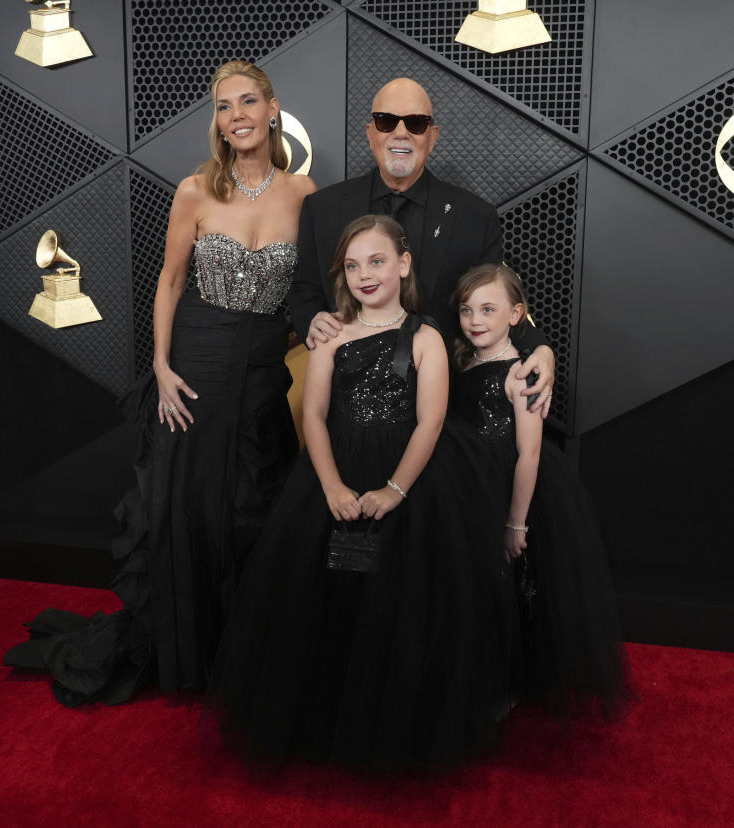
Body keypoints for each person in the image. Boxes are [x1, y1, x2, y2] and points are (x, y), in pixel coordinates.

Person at [4, 61, 316, 704]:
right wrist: (162, 368)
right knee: (191, 513)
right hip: (195, 369)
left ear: (273, 108)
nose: (237, 116)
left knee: (249, 514)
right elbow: (170, 281)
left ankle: (241, 652)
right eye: (225, 107)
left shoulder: (305, 194)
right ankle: (190, 656)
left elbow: (308, 293)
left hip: (261, 374)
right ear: (218, 121)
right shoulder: (194, 191)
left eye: (248, 101)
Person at [208, 215, 513, 770]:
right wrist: (330, 486)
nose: (364, 275)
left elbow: (431, 422)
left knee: (402, 602)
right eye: (351, 266)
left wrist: (394, 490)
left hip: (409, 480)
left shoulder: (427, 338)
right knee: (324, 598)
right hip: (331, 477)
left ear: (403, 264)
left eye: (376, 261)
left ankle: (394, 721)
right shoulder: (331, 335)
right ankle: (324, 717)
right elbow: (315, 415)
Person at [289, 77, 558, 416]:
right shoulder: (323, 208)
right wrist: (311, 319)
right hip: (348, 410)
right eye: (387, 121)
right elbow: (304, 289)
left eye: (416, 124)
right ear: (371, 132)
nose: (401, 133)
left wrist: (540, 347)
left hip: (446, 411)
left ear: (432, 138)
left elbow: (495, 303)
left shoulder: (475, 217)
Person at [449, 263, 629, 718]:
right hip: (467, 484)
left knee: (511, 582)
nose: (475, 320)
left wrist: (515, 522)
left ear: (516, 314)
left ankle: (507, 682)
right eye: (467, 309)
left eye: (488, 309)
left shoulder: (523, 373)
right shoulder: (463, 359)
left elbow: (528, 453)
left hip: (512, 488)